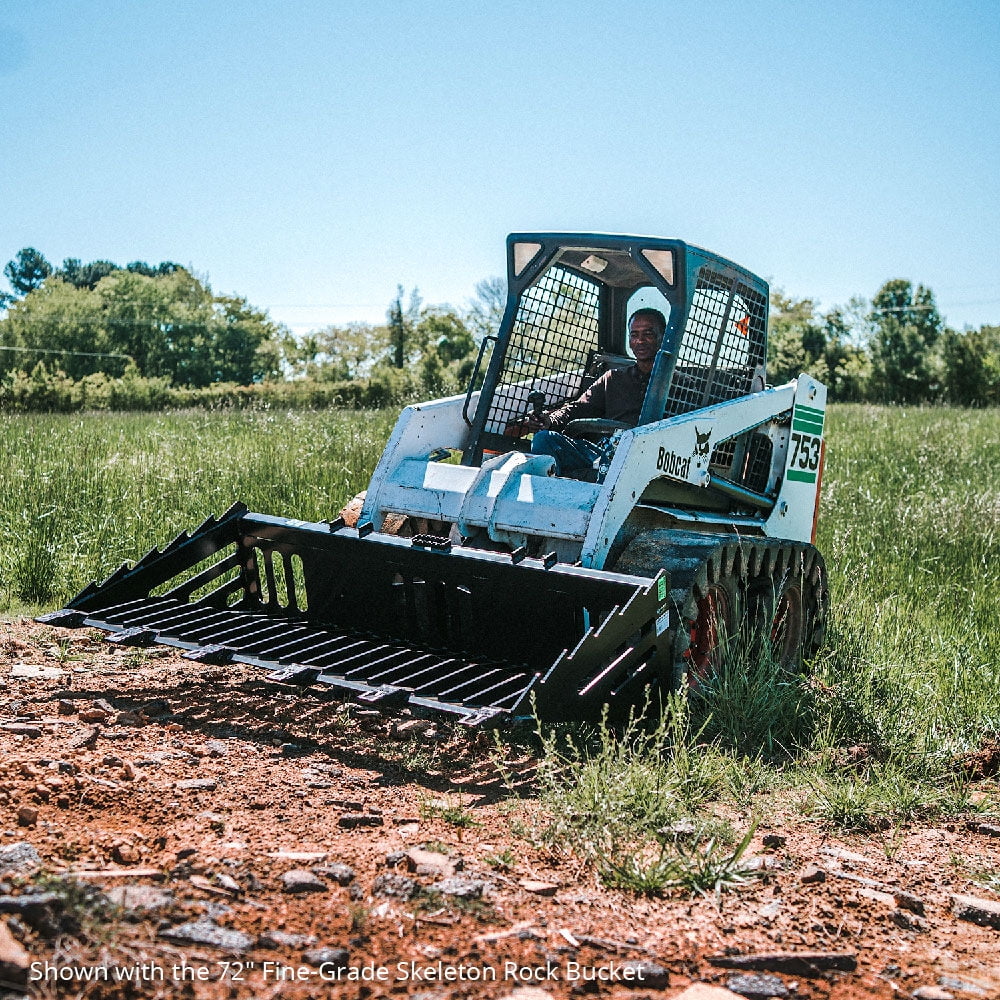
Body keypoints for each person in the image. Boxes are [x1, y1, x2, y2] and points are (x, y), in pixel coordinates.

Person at [508, 308, 666, 477]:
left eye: (648, 334)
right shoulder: (613, 379)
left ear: (663, 337)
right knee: (544, 439)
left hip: (651, 461)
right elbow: (578, 409)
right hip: (607, 453)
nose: (640, 341)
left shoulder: (682, 386)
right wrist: (549, 420)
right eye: (634, 335)